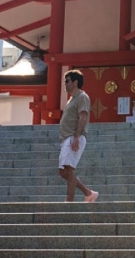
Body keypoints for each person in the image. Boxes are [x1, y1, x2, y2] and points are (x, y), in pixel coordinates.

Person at [58, 69, 99, 202]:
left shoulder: (82, 97)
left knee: (69, 168)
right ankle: (88, 193)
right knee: (63, 171)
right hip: (67, 138)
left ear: (75, 82)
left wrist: (77, 137)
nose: (65, 84)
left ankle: (69, 201)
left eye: (67, 81)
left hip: (74, 136)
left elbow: (83, 116)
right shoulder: (71, 99)